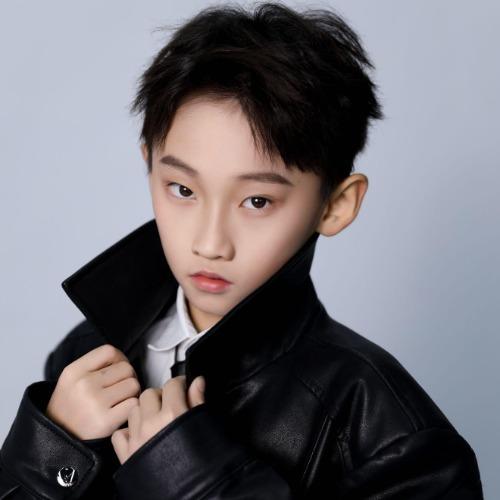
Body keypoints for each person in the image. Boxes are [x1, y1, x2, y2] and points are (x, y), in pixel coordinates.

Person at [0, 3, 484, 498]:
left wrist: (194, 481)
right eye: (182, 190)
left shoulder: (389, 433)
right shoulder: (87, 353)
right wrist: (51, 450)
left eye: (257, 201)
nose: (210, 243)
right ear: (149, 166)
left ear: (336, 205)